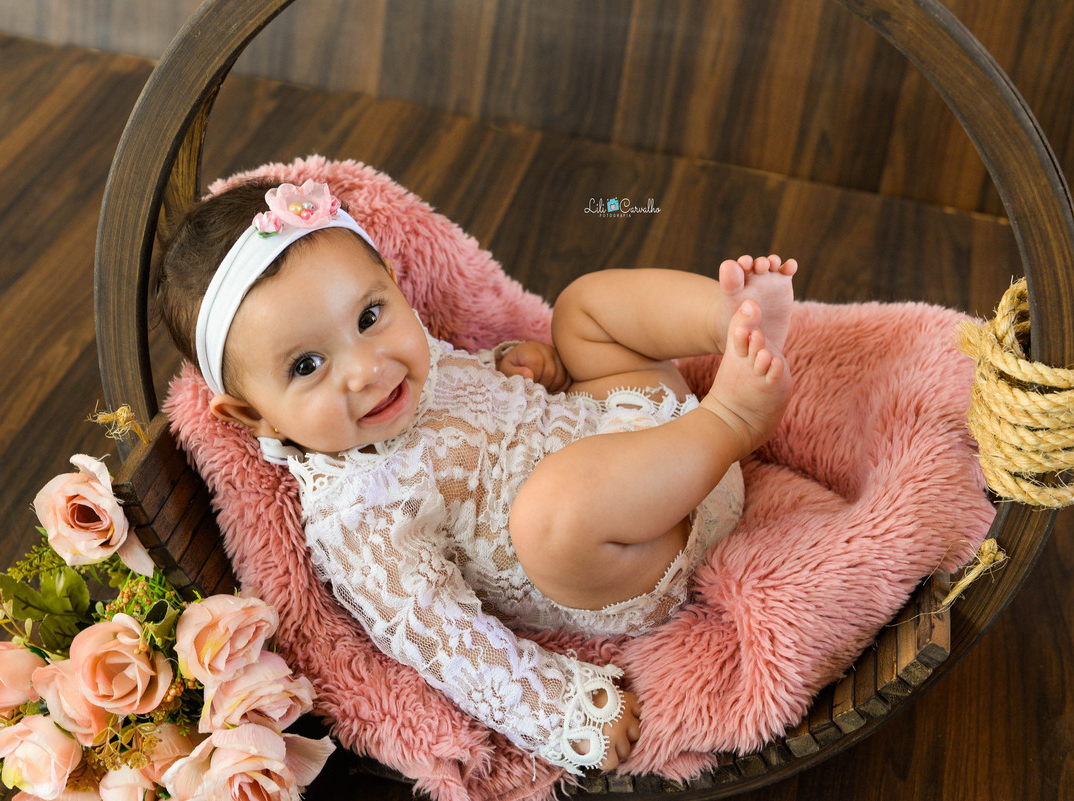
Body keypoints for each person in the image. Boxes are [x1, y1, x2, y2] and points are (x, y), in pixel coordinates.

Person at [155, 177, 795, 774]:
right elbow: (447, 641)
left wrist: (524, 368)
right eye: (308, 365)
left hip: (653, 438)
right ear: (252, 415)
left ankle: (733, 323)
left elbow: (473, 404)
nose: (366, 368)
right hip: (640, 549)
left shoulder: (412, 364)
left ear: (393, 284)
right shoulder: (355, 517)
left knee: (582, 311)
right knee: (550, 519)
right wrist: (561, 711)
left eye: (370, 316)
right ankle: (737, 417)